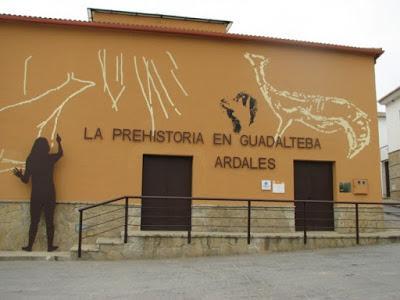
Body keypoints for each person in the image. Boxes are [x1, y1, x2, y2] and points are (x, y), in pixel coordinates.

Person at [13, 134, 63, 252]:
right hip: (49, 193)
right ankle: (50, 246)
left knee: (34, 221)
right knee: (49, 221)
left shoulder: (31, 159)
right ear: (45, 147)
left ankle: (29, 246)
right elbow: (60, 154)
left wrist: (19, 175)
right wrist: (59, 142)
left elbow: (26, 180)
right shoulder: (49, 158)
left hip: (36, 194)